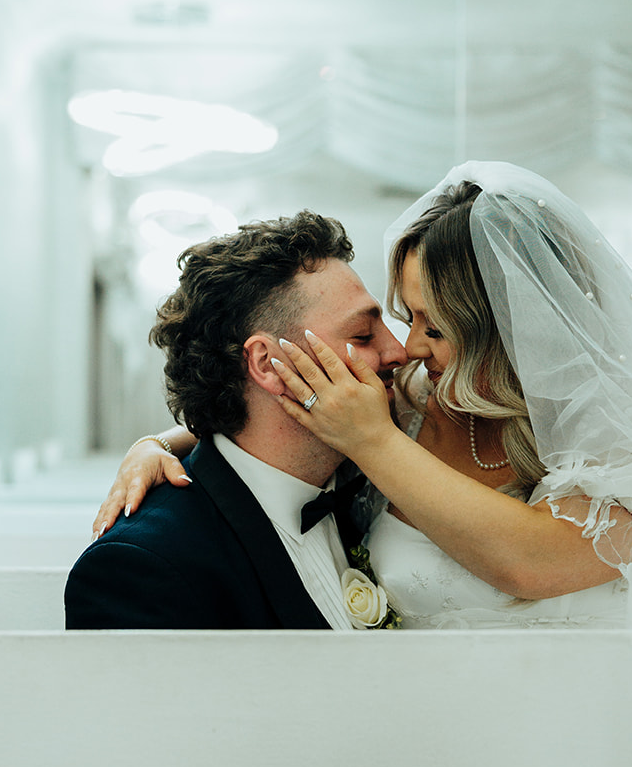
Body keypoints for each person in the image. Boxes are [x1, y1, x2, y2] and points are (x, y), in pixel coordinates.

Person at [95, 163, 632, 676]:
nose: (407, 348)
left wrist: (372, 440)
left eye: (434, 326)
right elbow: (268, 427)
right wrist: (157, 443)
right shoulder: (417, 405)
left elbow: (529, 563)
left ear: (511, 332)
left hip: (605, 731)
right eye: (401, 317)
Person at [65, 210, 406, 630]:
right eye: (363, 336)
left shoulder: (375, 482)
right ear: (267, 364)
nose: (399, 353)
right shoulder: (145, 566)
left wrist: (156, 442)